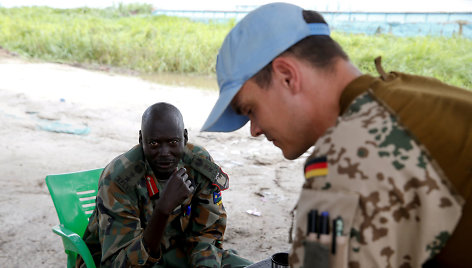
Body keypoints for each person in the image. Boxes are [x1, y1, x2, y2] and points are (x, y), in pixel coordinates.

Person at [201, 2, 472, 268]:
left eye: (250, 110)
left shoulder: (348, 157)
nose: (254, 130)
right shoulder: (420, 95)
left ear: (286, 75)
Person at [78, 102, 252, 267]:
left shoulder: (198, 164)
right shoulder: (119, 180)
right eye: (154, 143)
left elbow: (207, 233)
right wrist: (162, 210)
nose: (164, 153)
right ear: (141, 140)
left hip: (178, 252)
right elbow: (119, 263)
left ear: (184, 137)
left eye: (173, 142)